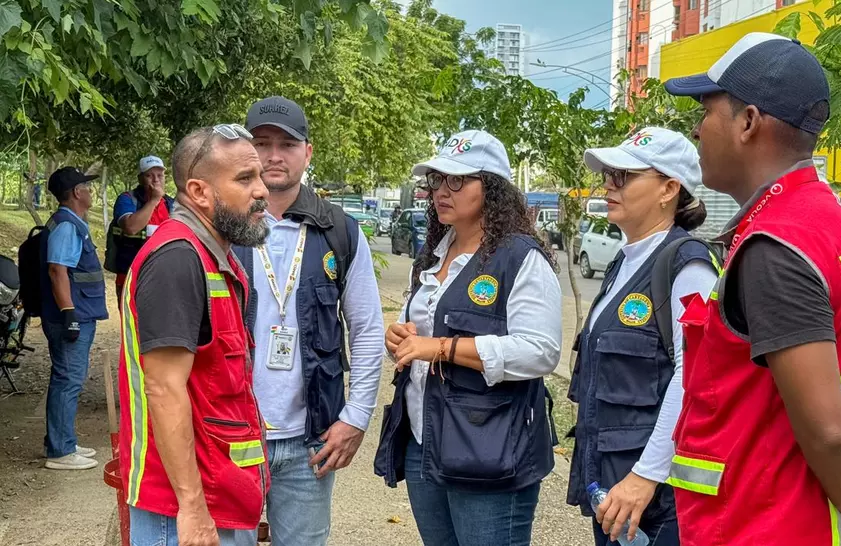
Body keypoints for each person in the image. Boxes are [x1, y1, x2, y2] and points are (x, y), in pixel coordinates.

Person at [662, 33, 841, 545]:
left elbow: (831, 432)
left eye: (705, 110)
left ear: (747, 122)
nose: (696, 130)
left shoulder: (775, 246)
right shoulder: (838, 229)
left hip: (765, 530)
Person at [375, 130, 563, 546]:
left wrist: (441, 348)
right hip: (425, 439)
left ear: (492, 188)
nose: (442, 190)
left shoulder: (520, 258)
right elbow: (422, 338)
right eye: (437, 181)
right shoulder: (433, 255)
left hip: (489, 449)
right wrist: (401, 339)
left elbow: (541, 352)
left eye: (457, 181)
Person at [235, 95, 385, 545]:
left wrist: (356, 418)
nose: (274, 155)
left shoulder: (339, 231)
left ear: (308, 152)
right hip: (231, 436)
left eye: (288, 143)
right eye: (261, 143)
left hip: (309, 442)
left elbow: (367, 329)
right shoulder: (222, 225)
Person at [117, 125, 270, 546]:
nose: (262, 191)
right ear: (200, 192)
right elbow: (164, 389)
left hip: (215, 493)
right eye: (244, 179)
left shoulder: (210, 253)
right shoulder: (178, 259)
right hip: (183, 510)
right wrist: (192, 508)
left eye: (258, 176)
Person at [568, 128, 719, 546]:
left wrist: (645, 475)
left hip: (654, 499)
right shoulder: (625, 262)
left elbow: (695, 377)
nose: (609, 185)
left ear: (669, 188)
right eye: (609, 175)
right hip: (615, 488)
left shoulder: (687, 267)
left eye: (624, 176)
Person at [39, 167, 109, 471]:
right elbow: (58, 270)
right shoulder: (67, 226)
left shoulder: (72, 223)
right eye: (87, 187)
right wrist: (69, 313)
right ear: (77, 192)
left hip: (77, 311)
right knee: (68, 379)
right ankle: (60, 451)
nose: (90, 192)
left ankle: (62, 440)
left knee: (69, 378)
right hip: (71, 314)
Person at [108, 156, 174, 304]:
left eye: (160, 175)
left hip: (163, 276)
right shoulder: (127, 199)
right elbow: (131, 227)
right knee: (134, 324)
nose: (156, 180)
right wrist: (154, 200)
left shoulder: (171, 204)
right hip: (132, 275)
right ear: (140, 179)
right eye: (149, 175)